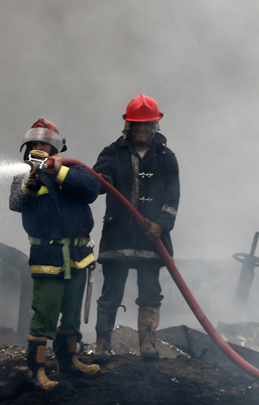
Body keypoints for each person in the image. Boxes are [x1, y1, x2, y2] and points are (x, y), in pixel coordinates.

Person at [9, 117, 101, 390]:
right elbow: (16, 203)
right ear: (27, 148)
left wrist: (59, 171)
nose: (40, 147)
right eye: (35, 144)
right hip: (48, 257)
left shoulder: (75, 171)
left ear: (56, 148)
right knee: (45, 317)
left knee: (71, 315)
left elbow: (92, 189)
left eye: (45, 144)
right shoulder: (21, 176)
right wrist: (32, 180)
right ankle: (36, 371)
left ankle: (68, 362)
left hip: (77, 255)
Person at [92, 94, 180, 363]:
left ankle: (148, 345)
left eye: (146, 126)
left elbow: (172, 196)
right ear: (128, 127)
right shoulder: (112, 152)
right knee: (111, 292)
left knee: (150, 293)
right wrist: (103, 178)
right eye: (136, 126)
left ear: (155, 126)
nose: (141, 130)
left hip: (150, 239)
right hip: (119, 235)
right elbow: (99, 178)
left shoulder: (166, 157)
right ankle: (103, 345)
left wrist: (160, 226)